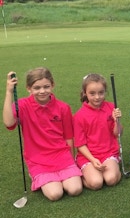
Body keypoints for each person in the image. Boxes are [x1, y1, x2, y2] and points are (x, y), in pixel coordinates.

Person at [3, 68, 82, 201]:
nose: (42, 91)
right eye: (37, 88)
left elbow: (69, 137)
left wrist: (72, 160)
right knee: (55, 194)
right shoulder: (22, 105)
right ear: (29, 88)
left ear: (52, 85)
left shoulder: (63, 107)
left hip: (62, 156)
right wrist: (9, 92)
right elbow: (9, 122)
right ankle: (35, 174)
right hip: (38, 159)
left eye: (46, 87)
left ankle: (60, 174)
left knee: (75, 189)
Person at [73, 74, 122, 190]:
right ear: (85, 93)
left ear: (105, 92)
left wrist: (117, 122)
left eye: (101, 93)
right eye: (92, 93)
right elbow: (80, 144)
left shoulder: (111, 108)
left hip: (109, 152)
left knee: (111, 180)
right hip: (88, 156)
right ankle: (83, 176)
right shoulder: (79, 116)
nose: (97, 97)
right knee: (96, 183)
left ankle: (115, 168)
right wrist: (93, 160)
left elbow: (117, 134)